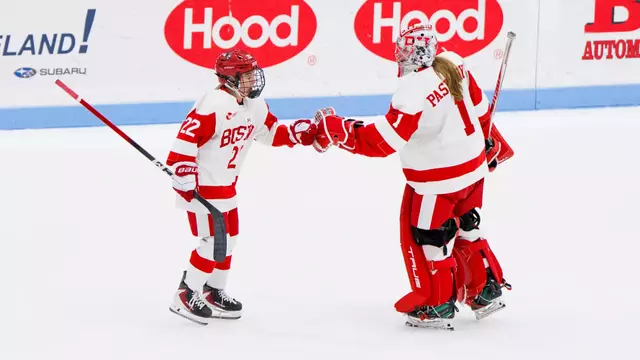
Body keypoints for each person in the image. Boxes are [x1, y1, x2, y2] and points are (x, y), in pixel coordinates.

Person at [311, 22, 514, 330]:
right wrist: (491, 141)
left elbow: (382, 142)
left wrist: (338, 129)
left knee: (431, 236)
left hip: (437, 181)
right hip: (474, 169)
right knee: (468, 224)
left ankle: (437, 304)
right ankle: (485, 290)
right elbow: (480, 108)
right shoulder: (454, 62)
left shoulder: (412, 89)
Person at [166, 49, 317, 325]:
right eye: (247, 75)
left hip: (227, 187)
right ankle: (186, 293)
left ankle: (213, 291)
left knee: (229, 241)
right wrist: (182, 169)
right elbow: (184, 141)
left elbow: (271, 132)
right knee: (213, 242)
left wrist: (300, 134)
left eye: (253, 74)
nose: (253, 80)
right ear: (230, 79)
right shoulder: (212, 104)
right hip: (203, 188)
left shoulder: (254, 105)